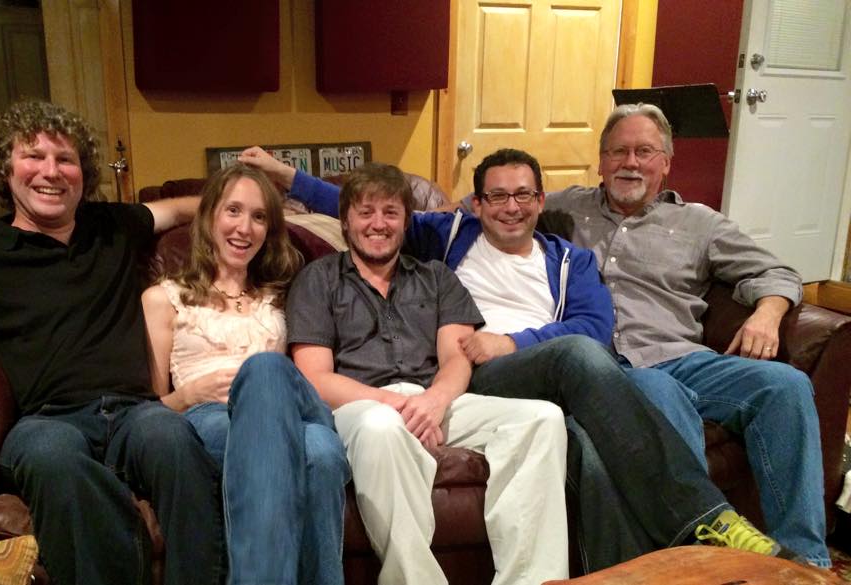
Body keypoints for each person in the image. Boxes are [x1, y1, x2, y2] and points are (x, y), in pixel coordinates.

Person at [241, 146, 802, 571]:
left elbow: (593, 328)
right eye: (498, 196)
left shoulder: (566, 261)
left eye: (524, 195)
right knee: (577, 364)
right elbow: (351, 213)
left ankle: (605, 574)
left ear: (541, 199)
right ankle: (700, 518)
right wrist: (285, 174)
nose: (511, 207)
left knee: (570, 427)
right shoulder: (446, 237)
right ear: (476, 204)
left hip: (514, 373)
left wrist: (491, 356)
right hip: (479, 378)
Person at [0, 101, 224, 585]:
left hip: (136, 412)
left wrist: (251, 198)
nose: (51, 171)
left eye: (65, 159)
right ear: (5, 171)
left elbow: (177, 207)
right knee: (53, 456)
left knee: (173, 437)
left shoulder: (111, 226)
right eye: (33, 156)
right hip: (46, 420)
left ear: (83, 174)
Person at [545, 102, 829, 567]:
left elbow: (777, 270)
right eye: (618, 152)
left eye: (644, 152)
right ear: (600, 161)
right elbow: (494, 204)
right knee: (660, 392)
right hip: (607, 368)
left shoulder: (700, 223)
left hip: (684, 355)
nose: (630, 163)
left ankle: (804, 563)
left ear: (666, 163)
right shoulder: (562, 208)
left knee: (787, 386)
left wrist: (768, 312)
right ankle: (691, 560)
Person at [286, 163, 570, 585]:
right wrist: (396, 404)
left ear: (406, 221)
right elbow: (315, 377)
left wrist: (434, 401)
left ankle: (531, 580)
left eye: (390, 212)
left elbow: (457, 358)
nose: (378, 224)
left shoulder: (437, 278)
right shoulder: (318, 279)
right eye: (366, 213)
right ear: (346, 221)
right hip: (357, 407)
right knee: (382, 427)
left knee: (542, 418)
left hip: (430, 398)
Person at [141, 163, 350, 585]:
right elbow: (145, 410)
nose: (245, 227)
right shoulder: (162, 298)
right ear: (209, 217)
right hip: (212, 416)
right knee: (322, 454)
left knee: (267, 367)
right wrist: (186, 396)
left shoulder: (287, 293)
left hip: (292, 408)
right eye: (233, 211)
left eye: (259, 217)